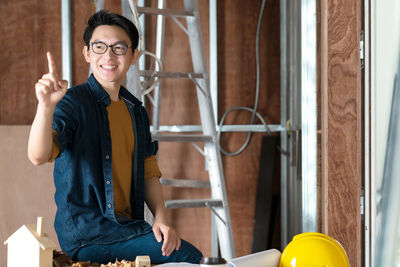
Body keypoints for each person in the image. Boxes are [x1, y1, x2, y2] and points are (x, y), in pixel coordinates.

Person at [28, 10, 202, 264]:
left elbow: (147, 168)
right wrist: (45, 105)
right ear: (87, 53)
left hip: (126, 228)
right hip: (88, 235)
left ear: (134, 56)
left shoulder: (135, 110)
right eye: (99, 47)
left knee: (180, 253)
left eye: (119, 48)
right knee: (189, 256)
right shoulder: (73, 103)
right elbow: (37, 156)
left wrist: (162, 219)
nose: (108, 56)